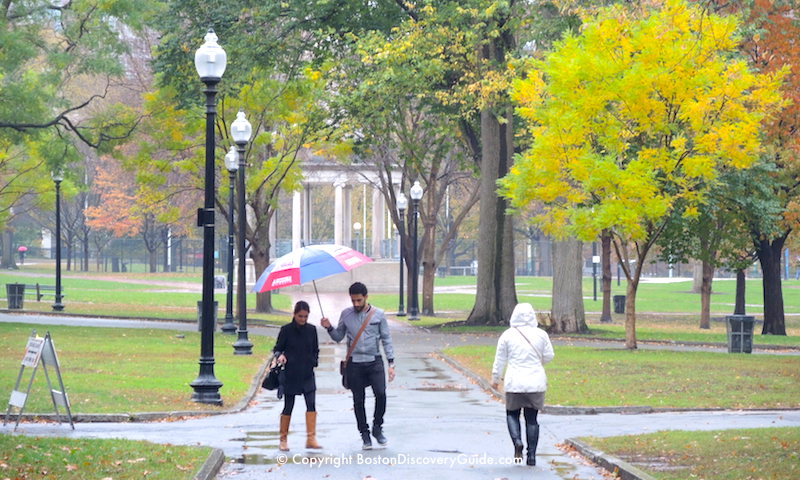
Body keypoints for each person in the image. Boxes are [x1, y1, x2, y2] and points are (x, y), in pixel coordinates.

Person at [321, 282, 395, 450]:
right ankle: (364, 434)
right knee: (358, 400)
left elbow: (386, 339)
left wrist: (391, 363)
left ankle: (377, 428)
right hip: (355, 363)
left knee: (381, 394)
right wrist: (329, 327)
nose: (356, 304)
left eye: (359, 300)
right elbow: (338, 336)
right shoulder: (346, 314)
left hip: (374, 361)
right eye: (353, 300)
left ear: (366, 297)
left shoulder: (379, 315)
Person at [491, 303, 554, 466]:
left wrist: (495, 378)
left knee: (512, 413)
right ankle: (531, 455)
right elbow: (549, 356)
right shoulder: (541, 334)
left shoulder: (507, 335)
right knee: (532, 419)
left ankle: (517, 442)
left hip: (514, 382)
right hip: (535, 382)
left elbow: (500, 359)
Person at [274, 300, 322, 451]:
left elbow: (316, 348)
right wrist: (280, 356)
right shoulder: (286, 330)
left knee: (311, 404)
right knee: (288, 406)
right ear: (294, 314)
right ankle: (283, 439)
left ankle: (311, 438)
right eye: (300, 316)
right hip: (291, 373)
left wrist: (314, 361)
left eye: (306, 316)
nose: (303, 319)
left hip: (307, 372)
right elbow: (277, 348)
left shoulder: (312, 330)